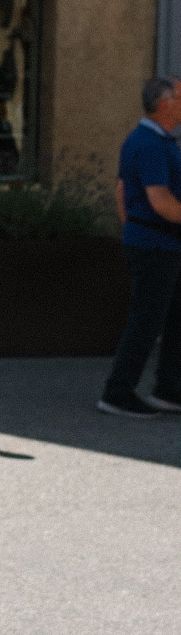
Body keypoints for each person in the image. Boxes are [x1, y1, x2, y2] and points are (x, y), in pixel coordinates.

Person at [98, 74, 181, 418]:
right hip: (156, 246)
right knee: (146, 321)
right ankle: (118, 393)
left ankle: (169, 390)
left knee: (175, 318)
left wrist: (132, 227)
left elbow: (121, 192)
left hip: (158, 243)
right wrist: (141, 231)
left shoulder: (154, 141)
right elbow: (160, 200)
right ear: (166, 104)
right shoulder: (149, 143)